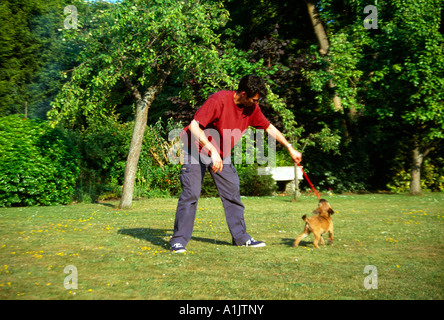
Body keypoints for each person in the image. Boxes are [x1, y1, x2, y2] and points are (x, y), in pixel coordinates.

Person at [170, 75, 302, 253]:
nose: (258, 102)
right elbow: (195, 126)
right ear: (244, 93)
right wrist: (212, 150)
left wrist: (289, 147)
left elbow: (269, 127)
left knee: (232, 190)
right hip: (195, 147)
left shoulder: (251, 108)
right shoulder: (219, 100)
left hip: (219, 153)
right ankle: (178, 241)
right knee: (191, 193)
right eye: (256, 99)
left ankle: (241, 238)